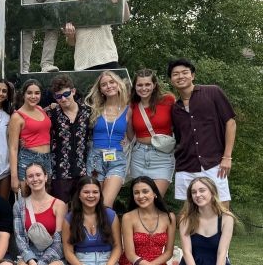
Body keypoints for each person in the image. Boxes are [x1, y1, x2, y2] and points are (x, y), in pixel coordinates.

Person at [169, 59, 236, 207]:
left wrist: (227, 156)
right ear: (171, 80)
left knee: (221, 208)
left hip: (214, 163)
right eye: (175, 74)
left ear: (192, 75)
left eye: (185, 72)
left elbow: (230, 123)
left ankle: (221, 232)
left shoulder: (213, 92)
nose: (180, 76)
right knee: (190, 212)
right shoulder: (174, 108)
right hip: (186, 165)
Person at [62, 177, 122, 265]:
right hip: (82, 261)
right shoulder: (70, 219)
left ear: (100, 194)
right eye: (86, 192)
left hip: (107, 259)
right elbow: (68, 251)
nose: (91, 196)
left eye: (95, 192)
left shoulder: (110, 215)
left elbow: (118, 246)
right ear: (79, 194)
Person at [13, 162, 66, 265]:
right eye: (30, 176)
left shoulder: (59, 205)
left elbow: (59, 240)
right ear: (26, 180)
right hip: (29, 254)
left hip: (54, 255)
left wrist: (43, 261)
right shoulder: (20, 205)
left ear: (46, 177)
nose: (35, 179)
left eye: (38, 175)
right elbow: (19, 238)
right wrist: (31, 260)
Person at [62, 0, 130, 71]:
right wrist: (70, 35)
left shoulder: (102, 5)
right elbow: (72, 43)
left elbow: (125, 17)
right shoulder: (66, 12)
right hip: (83, 63)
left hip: (108, 59)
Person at [121, 177, 176, 265]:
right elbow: (130, 255)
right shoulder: (128, 217)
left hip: (159, 263)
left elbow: (168, 252)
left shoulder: (169, 217)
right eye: (136, 193)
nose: (141, 196)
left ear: (155, 193)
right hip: (133, 264)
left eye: (145, 191)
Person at [84, 70, 131, 207]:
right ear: (101, 90)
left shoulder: (128, 110)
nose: (109, 86)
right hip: (95, 159)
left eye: (112, 82)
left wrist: (126, 140)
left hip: (117, 159)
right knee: (93, 204)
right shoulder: (94, 109)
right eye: (104, 84)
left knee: (105, 205)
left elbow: (132, 136)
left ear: (118, 85)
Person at [128, 69, 176, 197]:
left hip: (162, 156)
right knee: (140, 199)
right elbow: (130, 132)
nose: (144, 88)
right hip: (138, 155)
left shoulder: (168, 100)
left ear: (154, 85)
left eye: (147, 84)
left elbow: (179, 124)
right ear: (135, 86)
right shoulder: (132, 105)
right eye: (140, 85)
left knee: (156, 199)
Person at [45, 75, 92, 204]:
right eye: (59, 96)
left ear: (73, 91)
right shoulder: (51, 114)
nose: (63, 99)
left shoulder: (88, 112)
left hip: (83, 171)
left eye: (66, 94)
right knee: (61, 212)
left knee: (83, 211)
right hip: (59, 173)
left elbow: (98, 134)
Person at [9, 79, 51, 195]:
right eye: (29, 93)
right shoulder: (17, 116)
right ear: (23, 94)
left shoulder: (41, 109)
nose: (33, 96)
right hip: (28, 159)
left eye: (37, 93)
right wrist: (14, 177)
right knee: (28, 200)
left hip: (47, 159)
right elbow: (13, 148)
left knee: (45, 198)